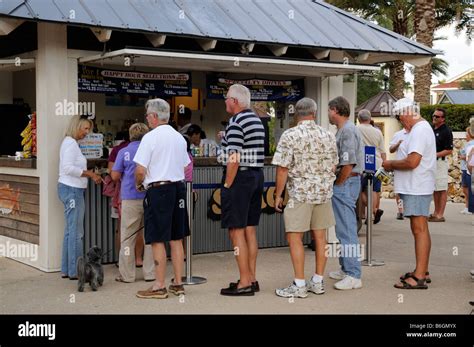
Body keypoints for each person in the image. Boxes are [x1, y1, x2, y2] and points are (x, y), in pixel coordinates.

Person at [272, 97, 338, 298]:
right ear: (315, 113)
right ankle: (317, 281)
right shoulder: (328, 135)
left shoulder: (289, 135)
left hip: (300, 193)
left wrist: (278, 195)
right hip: (323, 193)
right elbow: (334, 165)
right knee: (321, 238)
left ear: (295, 114)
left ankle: (299, 284)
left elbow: (283, 169)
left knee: (295, 236)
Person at [134, 98, 191, 299]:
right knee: (176, 238)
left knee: (158, 239)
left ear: (155, 116)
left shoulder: (150, 138)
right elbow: (185, 164)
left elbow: (140, 170)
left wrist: (139, 184)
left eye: (148, 115)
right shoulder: (179, 138)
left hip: (158, 190)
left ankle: (159, 285)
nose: (147, 119)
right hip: (178, 188)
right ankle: (177, 282)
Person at [382, 98, 436, 289]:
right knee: (420, 228)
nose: (400, 121)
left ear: (406, 112)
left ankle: (419, 276)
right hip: (416, 186)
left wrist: (389, 164)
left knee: (418, 229)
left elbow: (412, 162)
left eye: (399, 117)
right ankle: (422, 270)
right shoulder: (419, 129)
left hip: (417, 186)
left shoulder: (420, 130)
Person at [219, 84, 265, 296]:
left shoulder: (236, 121)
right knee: (249, 229)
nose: (225, 101)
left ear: (235, 101)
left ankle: (244, 281)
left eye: (227, 97)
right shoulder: (255, 119)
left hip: (240, 179)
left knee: (236, 230)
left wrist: (227, 184)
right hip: (256, 176)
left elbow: (234, 158)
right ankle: (251, 277)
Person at [58, 115, 102, 280]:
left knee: (70, 231)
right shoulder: (70, 143)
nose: (87, 132)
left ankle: (67, 269)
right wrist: (89, 174)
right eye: (85, 128)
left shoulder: (69, 143)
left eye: (88, 129)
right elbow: (68, 168)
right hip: (72, 190)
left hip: (69, 189)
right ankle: (76, 271)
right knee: (76, 233)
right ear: (76, 126)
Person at [327, 96, 364, 290]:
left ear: (335, 110)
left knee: (347, 229)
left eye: (329, 111)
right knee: (343, 227)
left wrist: (339, 183)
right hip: (348, 181)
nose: (328, 114)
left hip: (346, 182)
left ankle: (353, 274)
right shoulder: (345, 130)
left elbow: (348, 163)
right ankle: (346, 267)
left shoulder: (347, 131)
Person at [112, 123, 155, 283]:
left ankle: (127, 275)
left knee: (128, 236)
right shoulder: (151, 150)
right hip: (150, 196)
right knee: (150, 237)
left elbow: (115, 176)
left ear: (130, 135)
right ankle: (150, 274)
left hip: (130, 197)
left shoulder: (124, 152)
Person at [357, 109, 386, 224]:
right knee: (374, 190)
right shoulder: (377, 132)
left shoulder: (356, 129)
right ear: (370, 119)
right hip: (377, 163)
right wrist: (385, 163)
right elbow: (382, 150)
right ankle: (373, 212)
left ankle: (373, 210)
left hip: (362, 163)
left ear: (359, 119)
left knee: (359, 190)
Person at [429, 108, 453, 222]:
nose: (434, 118)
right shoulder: (431, 129)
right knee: (435, 188)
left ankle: (440, 214)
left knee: (442, 188)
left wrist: (435, 154)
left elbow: (449, 150)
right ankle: (435, 212)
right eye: (433, 115)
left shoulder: (446, 131)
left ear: (443, 119)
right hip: (432, 163)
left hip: (440, 163)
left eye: (437, 116)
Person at [389, 125, 410, 220]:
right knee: (399, 190)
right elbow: (391, 149)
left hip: (412, 166)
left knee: (410, 189)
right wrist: (397, 144)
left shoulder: (416, 133)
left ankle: (410, 210)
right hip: (400, 166)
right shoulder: (398, 134)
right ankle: (401, 211)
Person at [459, 127, 474, 215]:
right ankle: (467, 207)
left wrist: (463, 157)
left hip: (468, 169)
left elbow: (469, 157)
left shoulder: (471, 144)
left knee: (468, 189)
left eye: (467, 133)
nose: (466, 135)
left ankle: (469, 208)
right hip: (464, 168)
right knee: (465, 189)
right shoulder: (467, 144)